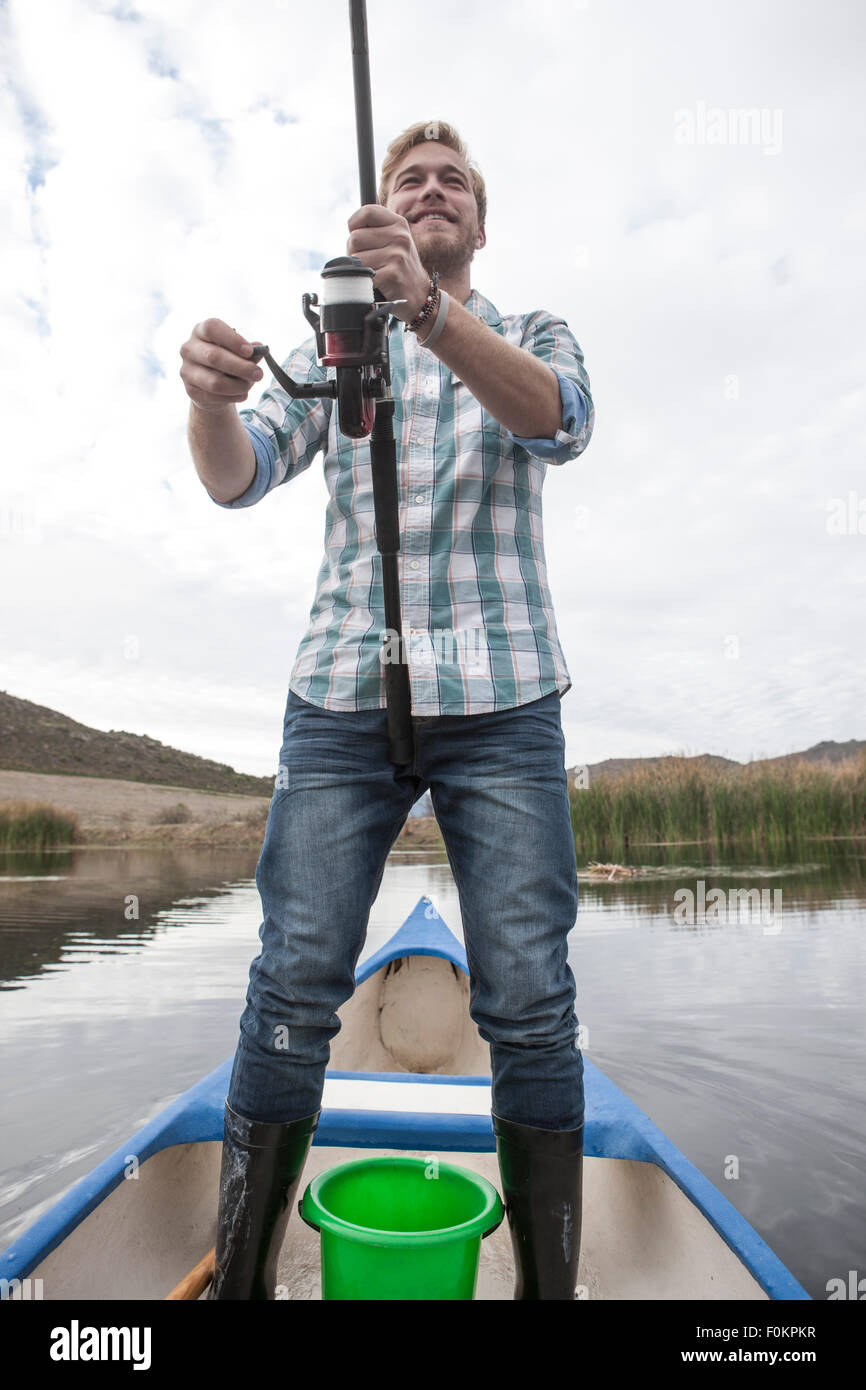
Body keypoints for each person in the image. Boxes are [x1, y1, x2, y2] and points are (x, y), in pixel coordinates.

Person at [179, 119, 595, 1301]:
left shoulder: (526, 330)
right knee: (295, 976)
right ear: (380, 213)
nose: (429, 192)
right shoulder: (334, 340)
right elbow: (238, 474)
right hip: (341, 698)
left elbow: (558, 419)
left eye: (451, 181)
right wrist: (208, 403)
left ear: (476, 218)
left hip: (503, 698)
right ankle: (242, 1284)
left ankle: (548, 1292)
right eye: (408, 180)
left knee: (526, 993)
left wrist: (428, 314)